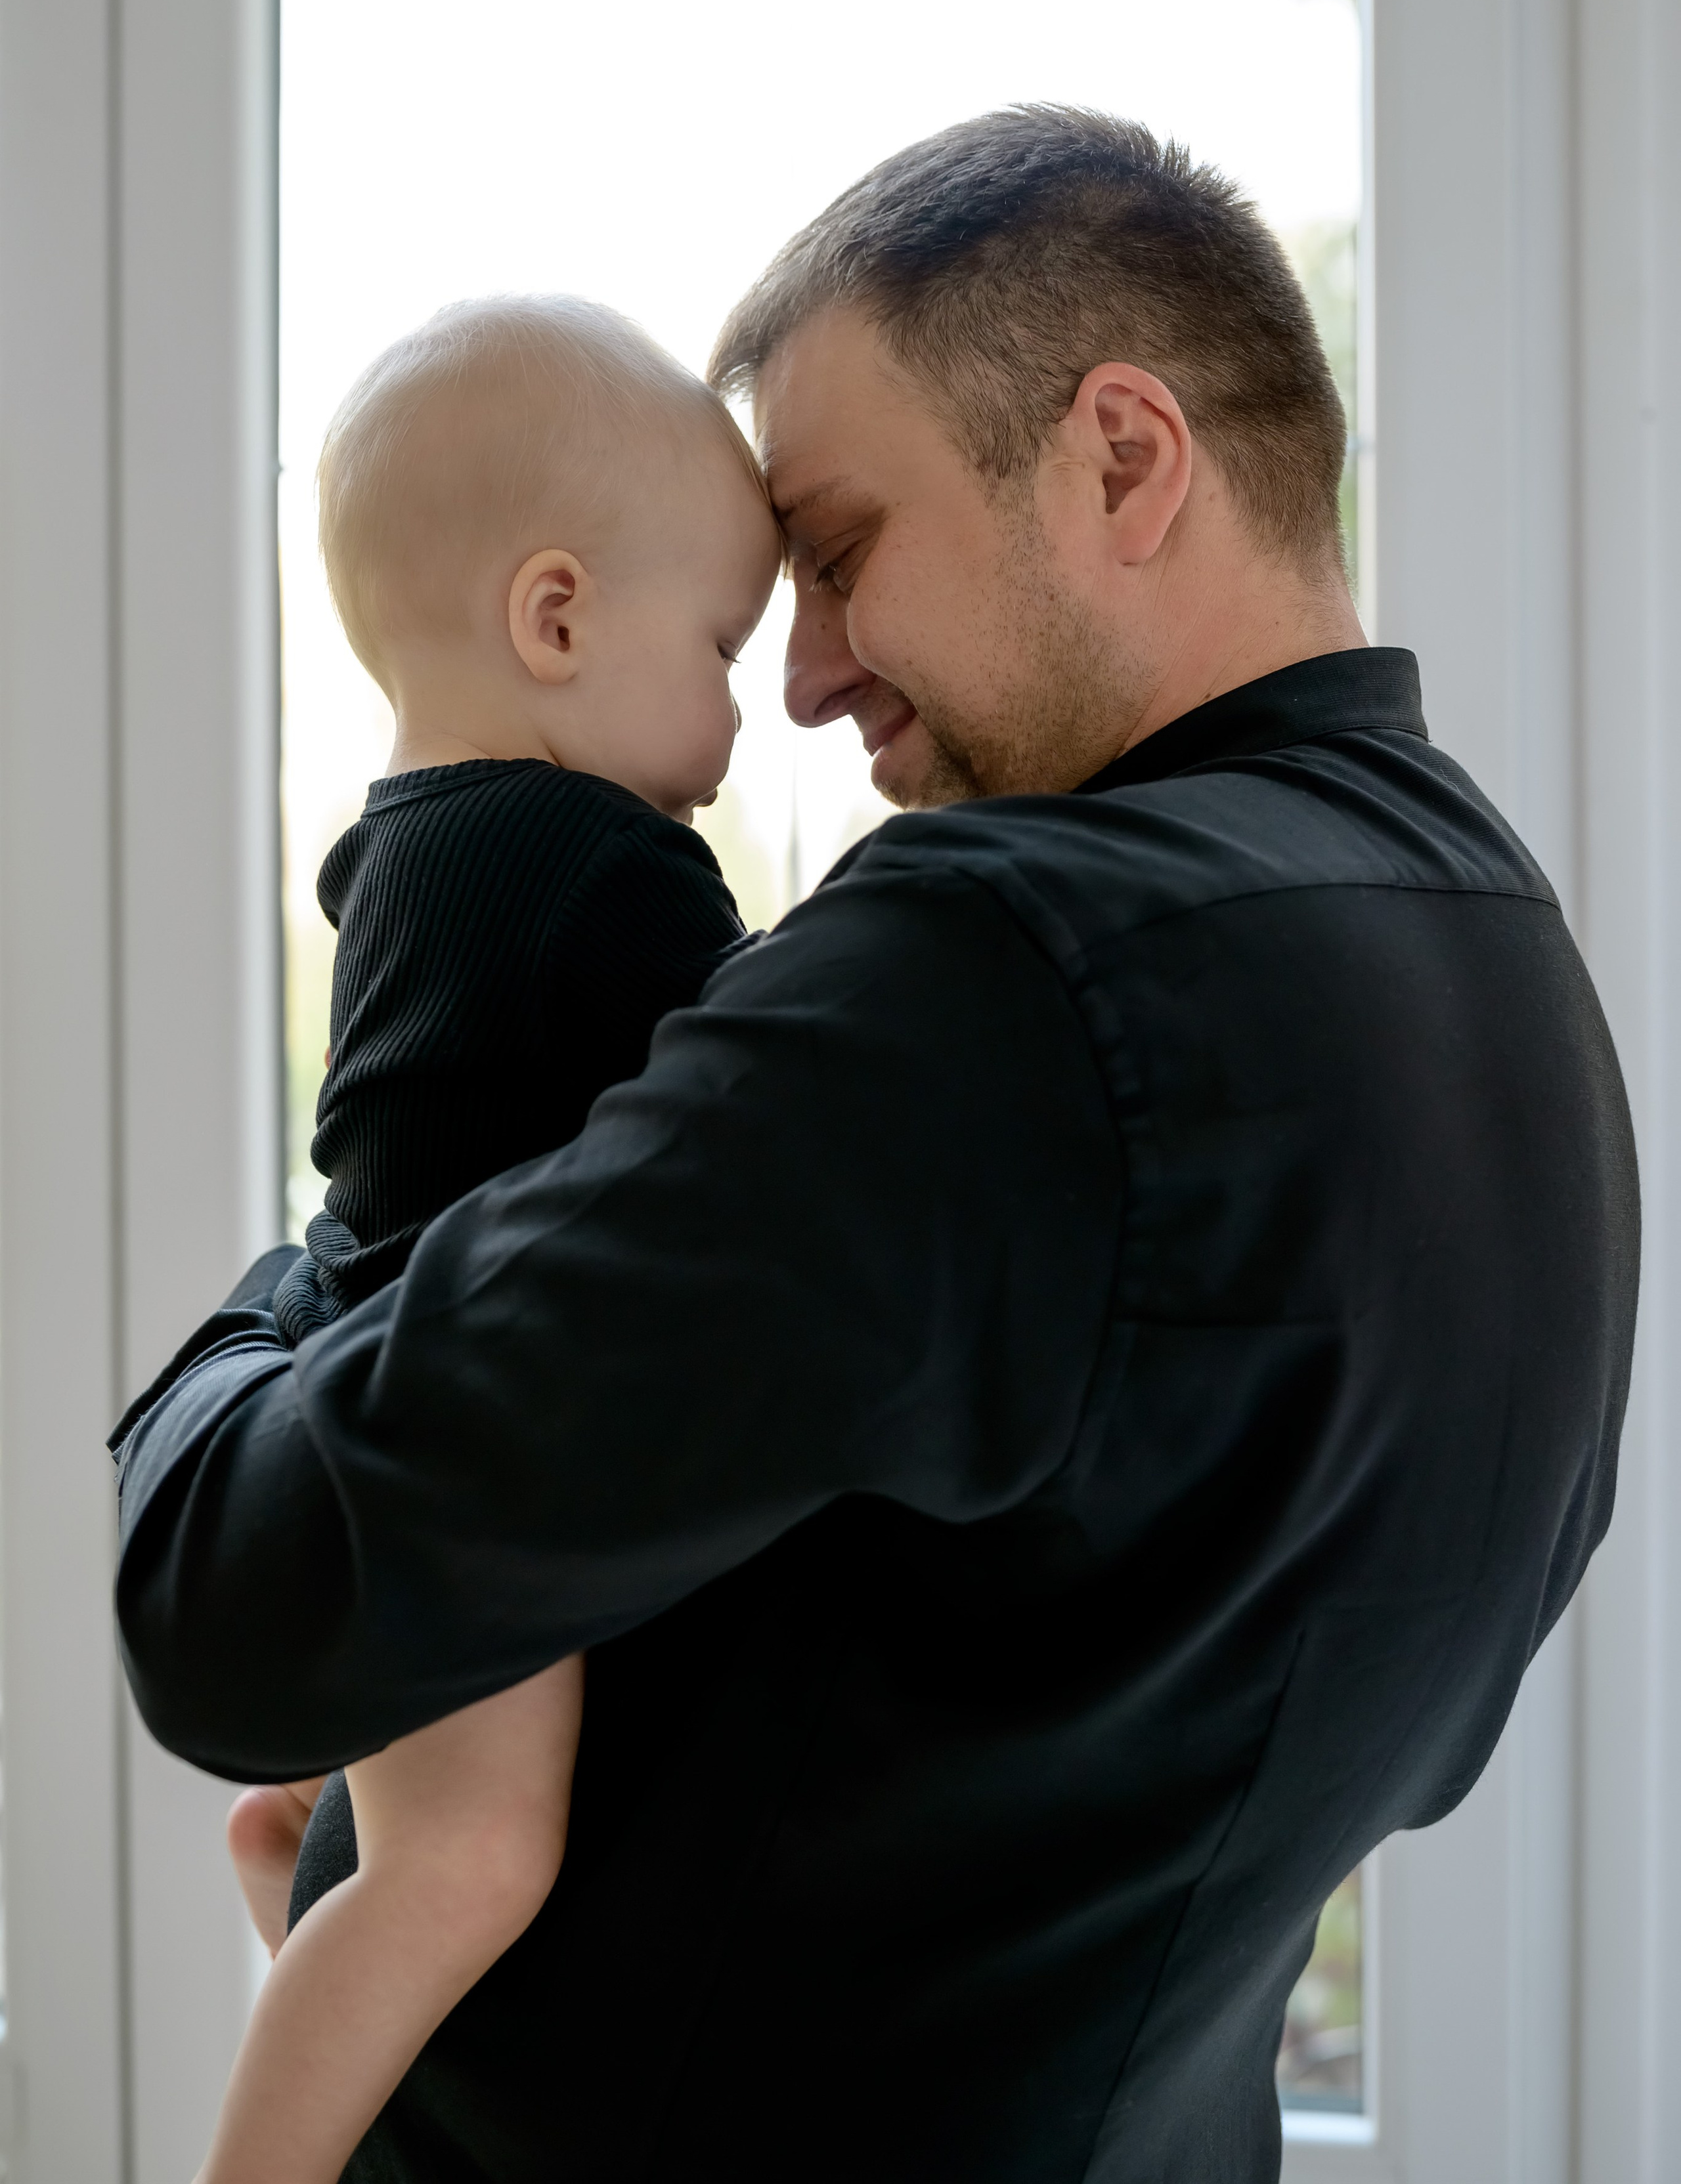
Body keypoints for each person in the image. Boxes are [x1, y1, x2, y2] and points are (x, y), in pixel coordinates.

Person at [112, 108, 1637, 2184]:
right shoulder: (1509, 973)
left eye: (837, 553)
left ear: (1124, 454)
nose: (812, 677)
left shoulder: (1003, 968)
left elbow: (240, 1599)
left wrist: (304, 1281)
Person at [175, 294, 779, 2184]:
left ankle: (296, 1874)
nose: (743, 712)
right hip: (453, 1434)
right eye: (722, 645)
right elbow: (788, 1069)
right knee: (476, 1857)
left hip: (386, 1370)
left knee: (437, 1844)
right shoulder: (593, 864)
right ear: (558, 617)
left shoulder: (410, 845)